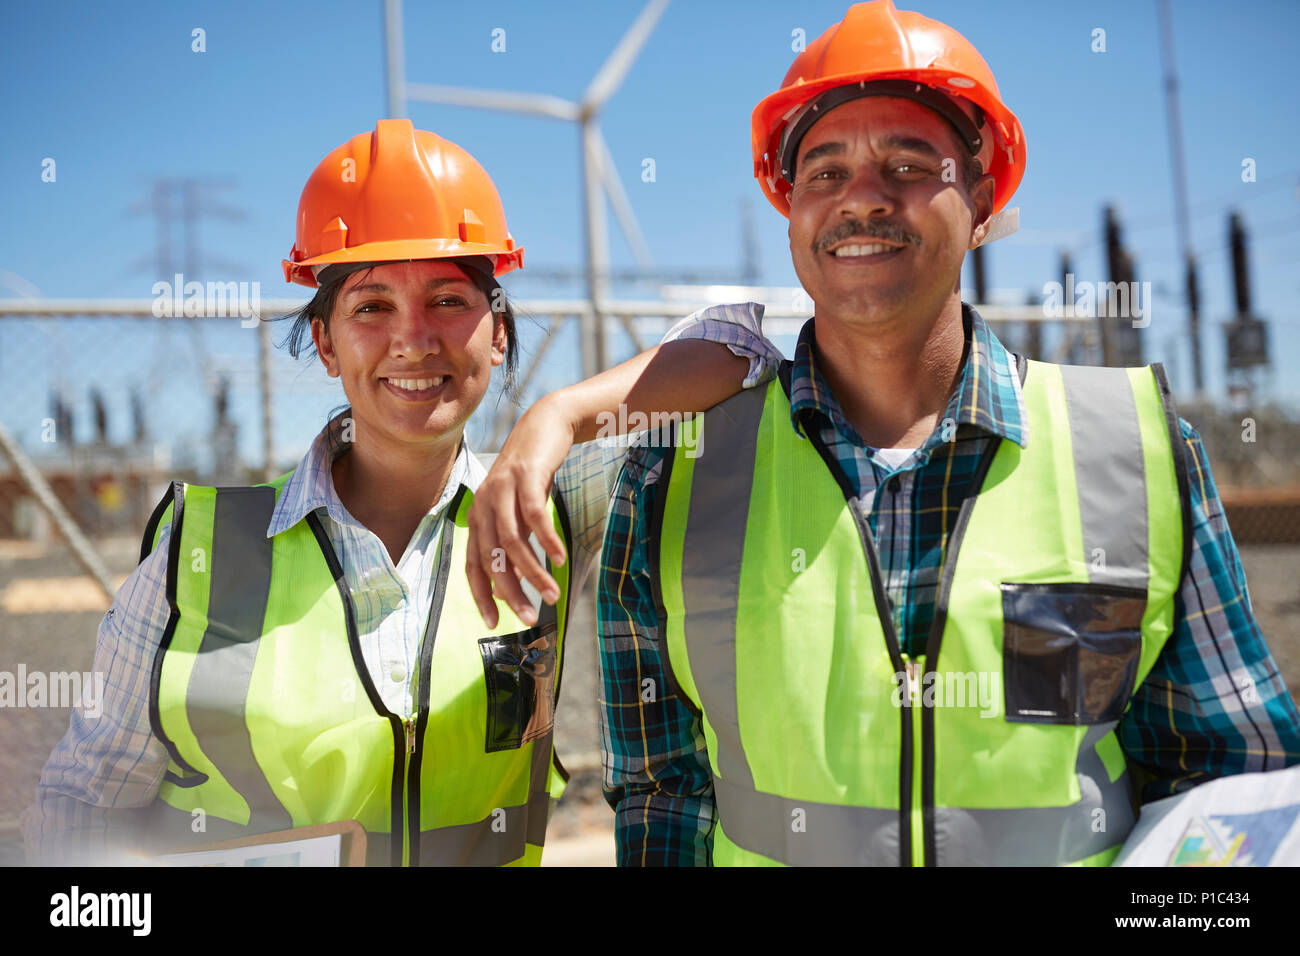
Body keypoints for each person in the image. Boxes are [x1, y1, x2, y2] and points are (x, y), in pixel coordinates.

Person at [471, 0, 1300, 866]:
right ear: (789, 207)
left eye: (907, 163)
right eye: (824, 173)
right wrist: (554, 414)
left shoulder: (1131, 452)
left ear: (983, 197)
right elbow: (663, 798)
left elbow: (1233, 783)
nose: (862, 197)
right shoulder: (676, 475)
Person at [22, 119, 773, 867]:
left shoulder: (548, 511)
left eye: (448, 301)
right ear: (324, 343)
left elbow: (743, 350)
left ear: (498, 334)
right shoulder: (198, 552)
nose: (413, 340)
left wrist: (558, 417)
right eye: (371, 306)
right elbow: (80, 809)